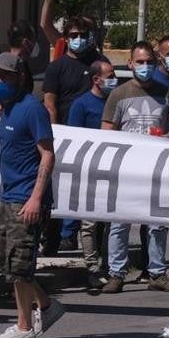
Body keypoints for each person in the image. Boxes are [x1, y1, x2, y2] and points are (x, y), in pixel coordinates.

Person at [0, 53, 65, 338]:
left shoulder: (34, 109)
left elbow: (47, 155)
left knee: (19, 266)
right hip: (8, 196)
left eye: (5, 77)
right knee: (7, 263)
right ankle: (46, 306)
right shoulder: (8, 108)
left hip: (26, 198)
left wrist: (36, 199)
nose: (0, 82)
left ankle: (23, 327)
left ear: (20, 77)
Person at [100, 42, 169, 294]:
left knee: (158, 223)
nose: (145, 66)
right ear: (131, 64)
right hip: (125, 171)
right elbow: (106, 130)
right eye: (140, 62)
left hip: (157, 170)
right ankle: (116, 274)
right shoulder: (119, 94)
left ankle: (157, 273)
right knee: (120, 223)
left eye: (149, 62)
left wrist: (166, 136)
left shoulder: (166, 93)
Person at [65, 59, 115, 289]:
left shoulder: (115, 101)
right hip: (88, 170)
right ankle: (92, 267)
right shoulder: (82, 104)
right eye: (109, 75)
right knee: (89, 223)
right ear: (96, 79)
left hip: (112, 169)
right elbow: (75, 137)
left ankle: (109, 265)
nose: (113, 79)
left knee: (111, 221)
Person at [42, 15, 107, 124]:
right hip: (68, 130)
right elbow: (49, 105)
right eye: (74, 35)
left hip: (96, 130)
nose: (79, 38)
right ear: (66, 39)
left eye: (83, 35)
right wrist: (55, 132)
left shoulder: (100, 62)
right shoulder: (56, 67)